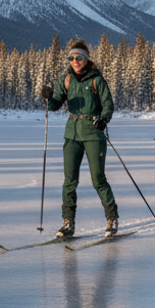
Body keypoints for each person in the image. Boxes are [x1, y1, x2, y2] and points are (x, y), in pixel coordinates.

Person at [40, 40, 119, 239]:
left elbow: (108, 106)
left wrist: (103, 119)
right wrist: (49, 98)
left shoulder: (96, 79)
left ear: (86, 59)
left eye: (79, 57)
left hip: (93, 133)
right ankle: (68, 223)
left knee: (98, 179)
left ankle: (112, 219)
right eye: (71, 58)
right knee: (69, 181)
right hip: (72, 134)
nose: (75, 61)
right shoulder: (65, 78)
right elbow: (56, 105)